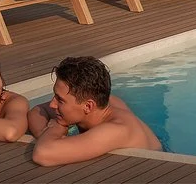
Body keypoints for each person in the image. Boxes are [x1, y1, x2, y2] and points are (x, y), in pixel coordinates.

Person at [27, 56, 157, 167]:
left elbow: (43, 154)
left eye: (60, 100)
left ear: (88, 106)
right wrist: (43, 134)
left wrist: (57, 127)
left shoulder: (116, 130)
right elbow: (38, 111)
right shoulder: (103, 101)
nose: (52, 104)